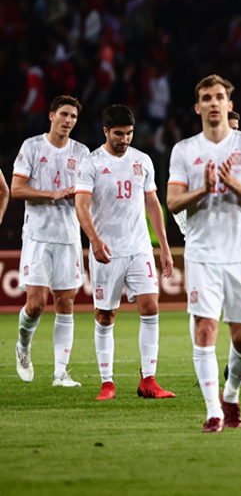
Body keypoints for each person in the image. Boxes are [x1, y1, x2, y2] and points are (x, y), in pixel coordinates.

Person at [167, 75, 241, 432]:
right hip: (202, 254)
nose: (214, 102)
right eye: (207, 98)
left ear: (229, 104)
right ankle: (213, 411)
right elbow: (172, 202)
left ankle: (231, 393)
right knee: (206, 329)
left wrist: (230, 182)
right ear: (198, 107)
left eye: (219, 97)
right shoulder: (184, 150)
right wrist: (203, 189)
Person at [73, 105, 175, 400]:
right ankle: (107, 383)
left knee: (151, 307)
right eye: (119, 133)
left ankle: (149, 380)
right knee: (106, 315)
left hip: (139, 247)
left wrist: (164, 246)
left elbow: (153, 204)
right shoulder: (91, 162)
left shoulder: (142, 161)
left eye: (129, 133)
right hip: (106, 250)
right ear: (105, 131)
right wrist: (94, 240)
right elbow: (81, 206)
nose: (125, 139)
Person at [11, 95, 89, 387]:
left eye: (73, 117)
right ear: (52, 115)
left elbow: (88, 192)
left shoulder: (82, 152)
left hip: (68, 236)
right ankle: (23, 346)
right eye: (64, 114)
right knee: (35, 305)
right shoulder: (32, 146)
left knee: (65, 303)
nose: (69, 121)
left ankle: (60, 373)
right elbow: (17, 189)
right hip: (38, 236)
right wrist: (53, 194)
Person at [174, 110, 241, 387]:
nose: (233, 132)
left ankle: (234, 369)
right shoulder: (193, 155)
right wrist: (191, 232)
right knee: (204, 316)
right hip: (204, 249)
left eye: (236, 127)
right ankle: (205, 371)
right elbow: (176, 203)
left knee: (240, 320)